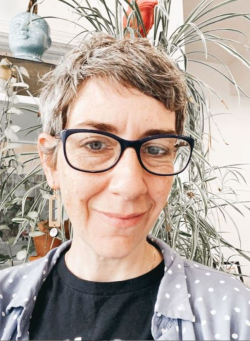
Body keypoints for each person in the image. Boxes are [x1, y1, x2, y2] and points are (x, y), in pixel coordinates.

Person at [0, 32, 250, 341]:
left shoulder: (234, 314)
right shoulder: (4, 301)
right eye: (95, 144)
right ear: (51, 162)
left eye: (156, 149)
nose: (130, 186)